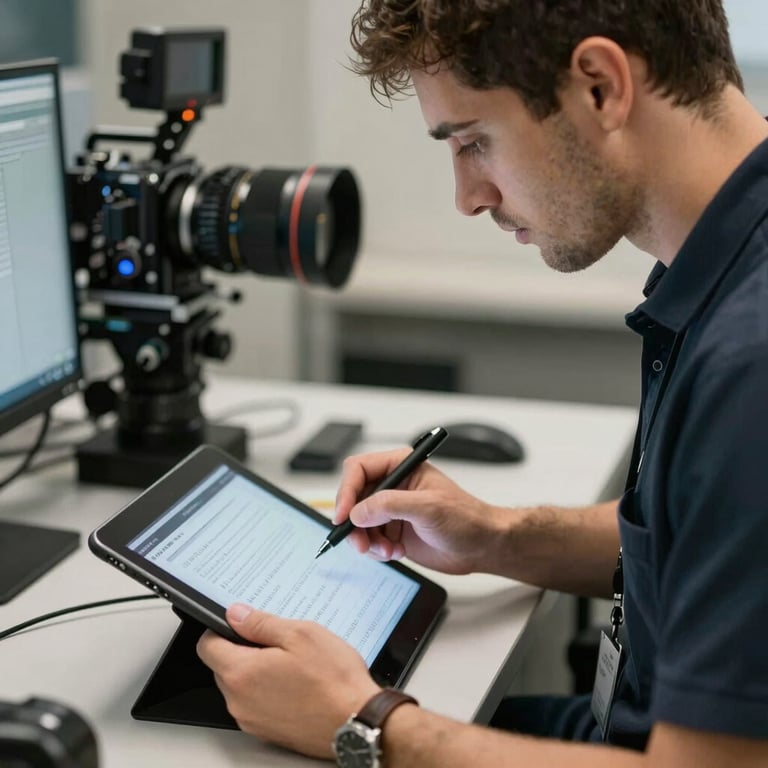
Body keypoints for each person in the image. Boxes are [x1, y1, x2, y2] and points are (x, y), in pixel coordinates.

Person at [196, 1, 768, 765]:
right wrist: (496, 536)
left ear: (599, 86)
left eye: (473, 141)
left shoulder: (750, 363)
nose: (469, 196)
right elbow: (707, 539)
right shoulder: (727, 260)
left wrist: (366, 725)